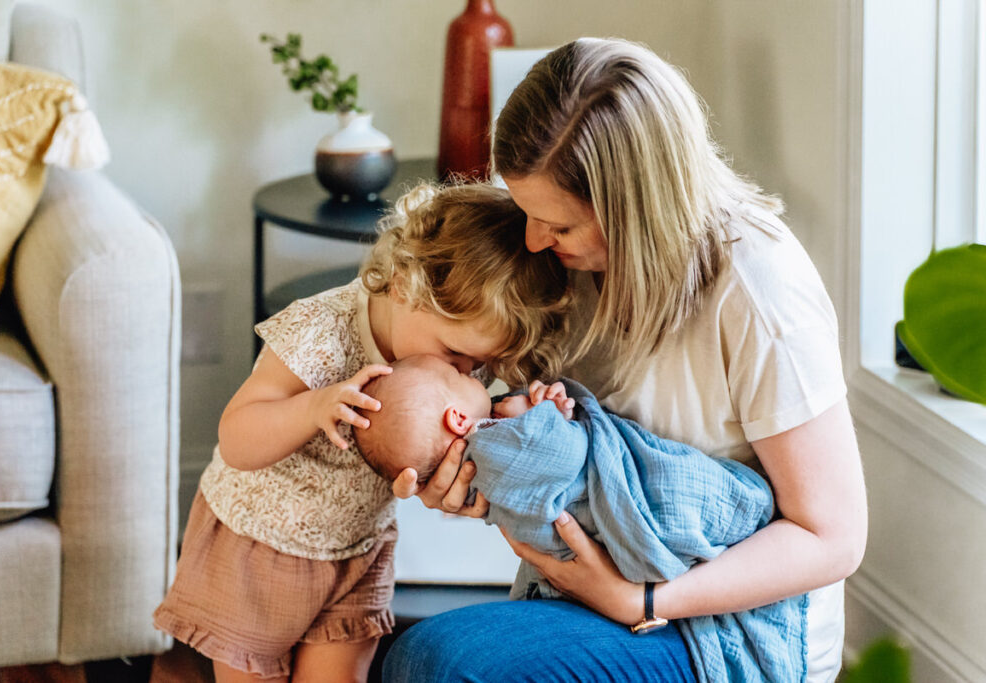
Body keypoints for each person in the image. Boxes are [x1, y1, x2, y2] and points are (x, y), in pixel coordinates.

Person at [386, 38, 867, 682]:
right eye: (528, 211)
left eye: (558, 225)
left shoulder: (759, 291)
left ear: (637, 212)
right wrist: (480, 473)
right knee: (423, 656)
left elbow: (832, 536)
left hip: (726, 623)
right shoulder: (558, 266)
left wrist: (641, 600)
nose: (534, 239)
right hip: (594, 588)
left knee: (451, 666)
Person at [152, 182, 569, 683]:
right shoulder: (322, 331)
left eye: (479, 364)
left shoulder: (462, 365)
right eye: (455, 355)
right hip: (257, 546)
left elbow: (483, 436)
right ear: (404, 284)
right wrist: (313, 407)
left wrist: (537, 419)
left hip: (357, 551)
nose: (466, 373)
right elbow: (236, 438)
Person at [356, 354, 805, 681]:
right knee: (420, 658)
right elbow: (563, 457)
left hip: (678, 602)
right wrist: (544, 417)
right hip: (621, 541)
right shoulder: (492, 446)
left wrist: (540, 411)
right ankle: (735, 506)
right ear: (457, 419)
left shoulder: (493, 442)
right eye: (456, 373)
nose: (470, 370)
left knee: (439, 662)